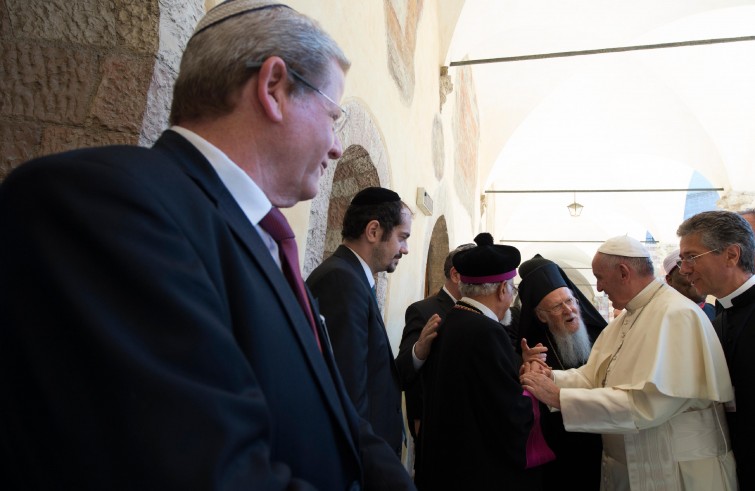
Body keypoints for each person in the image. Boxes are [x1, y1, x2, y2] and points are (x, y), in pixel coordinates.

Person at [0, 2, 415, 490]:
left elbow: (339, 417)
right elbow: (201, 470)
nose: (336, 146)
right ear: (274, 88)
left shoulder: (266, 238)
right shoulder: (107, 204)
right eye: (333, 115)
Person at [521, 235, 736, 491]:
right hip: (632, 464)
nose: (598, 288)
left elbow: (651, 402)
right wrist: (550, 378)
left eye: (600, 277)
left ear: (623, 272)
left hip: (677, 469)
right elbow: (593, 376)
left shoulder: (676, 314)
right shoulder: (623, 321)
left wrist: (560, 399)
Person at [417, 233, 545, 490]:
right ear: (502, 289)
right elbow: (508, 411)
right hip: (476, 467)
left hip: (448, 462)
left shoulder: (454, 319)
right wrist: (532, 383)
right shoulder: (487, 331)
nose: (511, 296)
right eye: (513, 288)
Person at [306, 186, 412, 457]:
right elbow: (349, 393)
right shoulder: (341, 281)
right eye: (402, 237)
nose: (405, 249)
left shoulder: (351, 277)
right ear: (374, 231)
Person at [677, 210, 755, 489]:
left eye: (691, 257)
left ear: (731, 255)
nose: (684, 269)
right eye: (682, 259)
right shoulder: (719, 318)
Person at [516, 255, 605, 490]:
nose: (569, 310)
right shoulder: (531, 349)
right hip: (556, 453)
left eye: (570, 301)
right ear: (541, 315)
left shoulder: (602, 336)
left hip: (600, 443)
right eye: (557, 306)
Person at [395, 242, 474, 474]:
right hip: (434, 427)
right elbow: (403, 371)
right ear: (456, 274)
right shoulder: (423, 311)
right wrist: (419, 349)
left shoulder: (481, 310)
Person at [663, 248, 716, 320]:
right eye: (687, 273)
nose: (697, 277)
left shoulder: (715, 311)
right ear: (669, 280)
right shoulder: (664, 316)